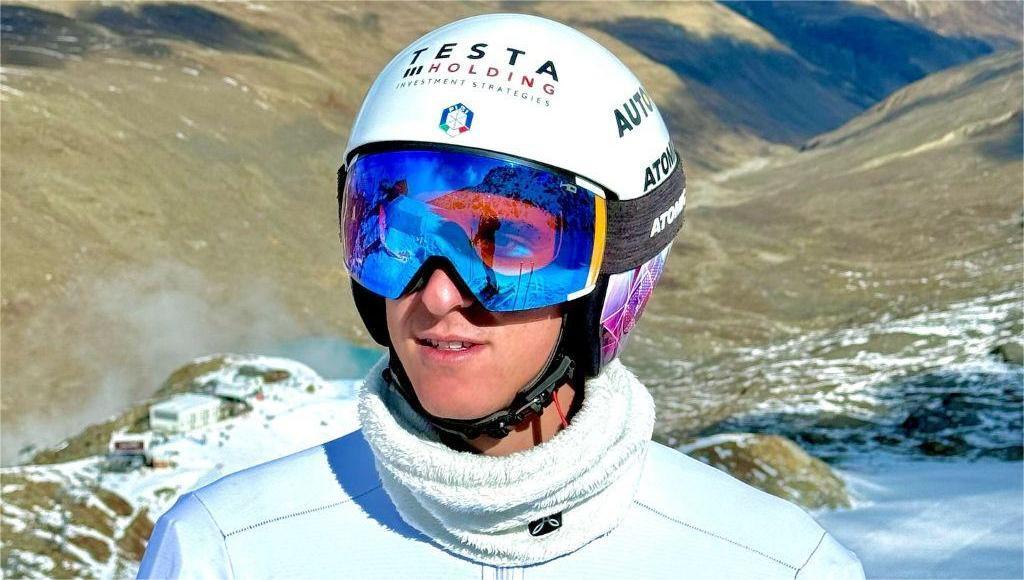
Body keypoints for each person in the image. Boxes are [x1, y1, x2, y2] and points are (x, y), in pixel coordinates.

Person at [138, 12, 865, 579]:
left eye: (507, 242)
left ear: (613, 281)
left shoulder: (777, 566)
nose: (437, 294)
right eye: (398, 230)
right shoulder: (224, 552)